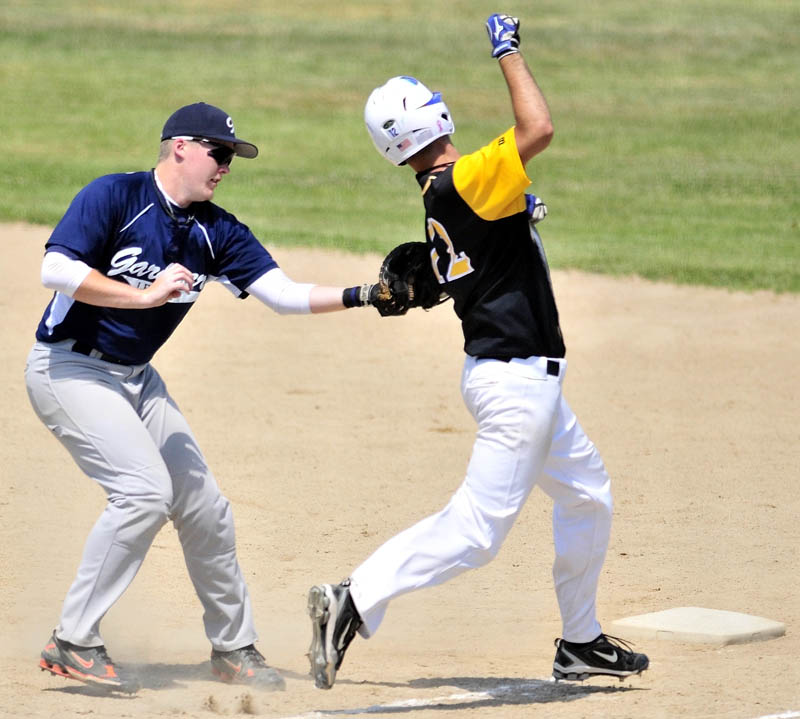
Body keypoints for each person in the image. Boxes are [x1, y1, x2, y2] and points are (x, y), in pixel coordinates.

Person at [306, 14, 650, 690]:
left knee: (587, 496)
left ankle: (579, 640)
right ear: (429, 116)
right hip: (516, 385)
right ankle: (353, 597)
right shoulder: (468, 178)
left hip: (523, 382)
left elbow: (457, 266)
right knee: (477, 530)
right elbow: (538, 129)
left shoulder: (442, 193)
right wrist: (507, 51)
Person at [26, 101, 381, 693]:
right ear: (180, 146)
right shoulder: (115, 195)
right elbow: (57, 268)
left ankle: (233, 648)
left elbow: (284, 295)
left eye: (232, 158)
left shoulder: (216, 232)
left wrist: (365, 293)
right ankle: (72, 638)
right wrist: (143, 297)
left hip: (136, 378)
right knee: (143, 493)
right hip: (68, 369)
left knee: (205, 509)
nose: (225, 166)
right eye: (218, 153)